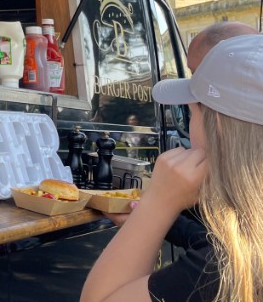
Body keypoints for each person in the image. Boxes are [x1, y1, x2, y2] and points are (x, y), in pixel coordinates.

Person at [81, 34, 263, 302]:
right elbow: (209, 243)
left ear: (219, 128)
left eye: (192, 113)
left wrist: (158, 204)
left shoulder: (224, 267)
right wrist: (164, 222)